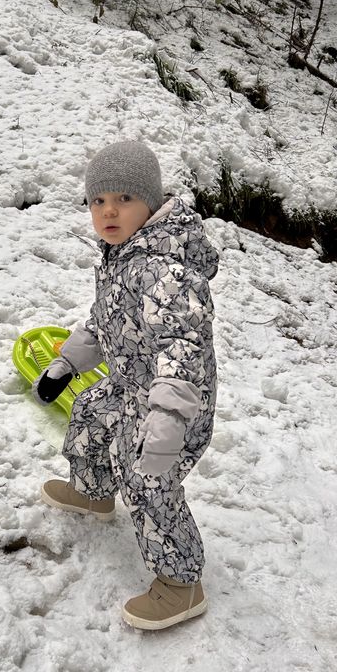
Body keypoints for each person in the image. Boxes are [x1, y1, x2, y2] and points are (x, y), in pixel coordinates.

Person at [33, 140, 218, 630]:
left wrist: (167, 423)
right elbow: (104, 322)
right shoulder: (121, 256)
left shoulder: (166, 269)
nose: (109, 211)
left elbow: (182, 350)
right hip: (129, 388)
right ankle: (93, 491)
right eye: (98, 201)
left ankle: (181, 584)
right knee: (91, 414)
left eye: (124, 199)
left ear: (151, 204)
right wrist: (68, 364)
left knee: (148, 482)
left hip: (171, 409)